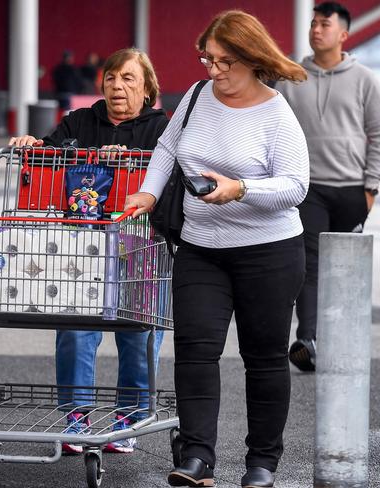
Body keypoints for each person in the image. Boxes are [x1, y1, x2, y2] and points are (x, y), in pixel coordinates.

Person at [126, 10, 309, 487]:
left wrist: (242, 189)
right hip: (201, 246)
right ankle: (197, 459)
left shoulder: (276, 113)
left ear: (251, 58)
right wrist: (148, 191)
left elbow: (296, 187)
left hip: (268, 251)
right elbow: (167, 147)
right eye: (208, 59)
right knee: (194, 351)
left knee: (264, 358)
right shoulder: (196, 97)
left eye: (226, 62)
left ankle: (261, 464)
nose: (214, 71)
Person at [10, 47, 169, 455]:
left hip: (141, 246)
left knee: (138, 334)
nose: (118, 86)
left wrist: (131, 161)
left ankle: (129, 419)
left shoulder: (160, 130)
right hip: (82, 247)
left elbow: (173, 178)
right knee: (77, 331)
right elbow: (46, 156)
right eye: (112, 78)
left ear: (147, 87)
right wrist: (33, 144)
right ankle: (76, 417)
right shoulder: (81, 121)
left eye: (129, 79)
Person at [277, 1, 380, 372]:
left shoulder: (366, 80)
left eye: (324, 24)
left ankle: (338, 340)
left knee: (341, 268)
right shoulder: (291, 78)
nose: (316, 30)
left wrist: (370, 188)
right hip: (308, 188)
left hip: (352, 191)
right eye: (313, 24)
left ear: (343, 34)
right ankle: (306, 339)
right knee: (309, 263)